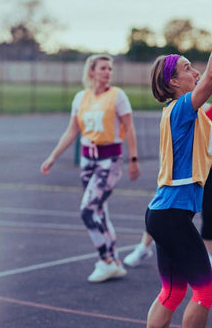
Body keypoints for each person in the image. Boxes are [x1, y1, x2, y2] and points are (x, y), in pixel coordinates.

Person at [145, 0, 212, 328]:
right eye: (188, 68)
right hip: (171, 215)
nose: (197, 71)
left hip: (164, 214)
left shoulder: (183, 111)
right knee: (206, 292)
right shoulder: (181, 110)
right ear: (174, 82)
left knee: (173, 293)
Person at [40, 54, 141, 283]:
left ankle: (105, 260)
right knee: (99, 211)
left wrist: (134, 159)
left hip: (110, 160)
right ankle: (114, 261)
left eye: (110, 68)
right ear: (92, 71)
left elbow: (130, 128)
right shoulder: (81, 98)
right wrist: (53, 157)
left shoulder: (118, 96)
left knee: (87, 210)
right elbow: (72, 131)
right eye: (103, 68)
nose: (108, 72)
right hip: (88, 161)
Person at [123, 102, 212, 272]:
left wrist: (210, 161)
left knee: (208, 213)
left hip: (208, 171)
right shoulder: (182, 108)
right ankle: (143, 247)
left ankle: (206, 255)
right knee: (164, 209)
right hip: (183, 174)